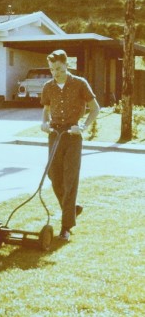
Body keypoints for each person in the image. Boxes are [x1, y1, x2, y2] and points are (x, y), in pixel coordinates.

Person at [40, 49, 100, 242]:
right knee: (53, 175)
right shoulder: (48, 87)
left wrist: (82, 126)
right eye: (51, 69)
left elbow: (95, 109)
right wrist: (44, 123)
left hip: (72, 135)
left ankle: (66, 226)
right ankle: (72, 210)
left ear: (67, 64)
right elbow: (46, 109)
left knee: (70, 179)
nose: (55, 73)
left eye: (58, 68)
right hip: (55, 134)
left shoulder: (80, 84)